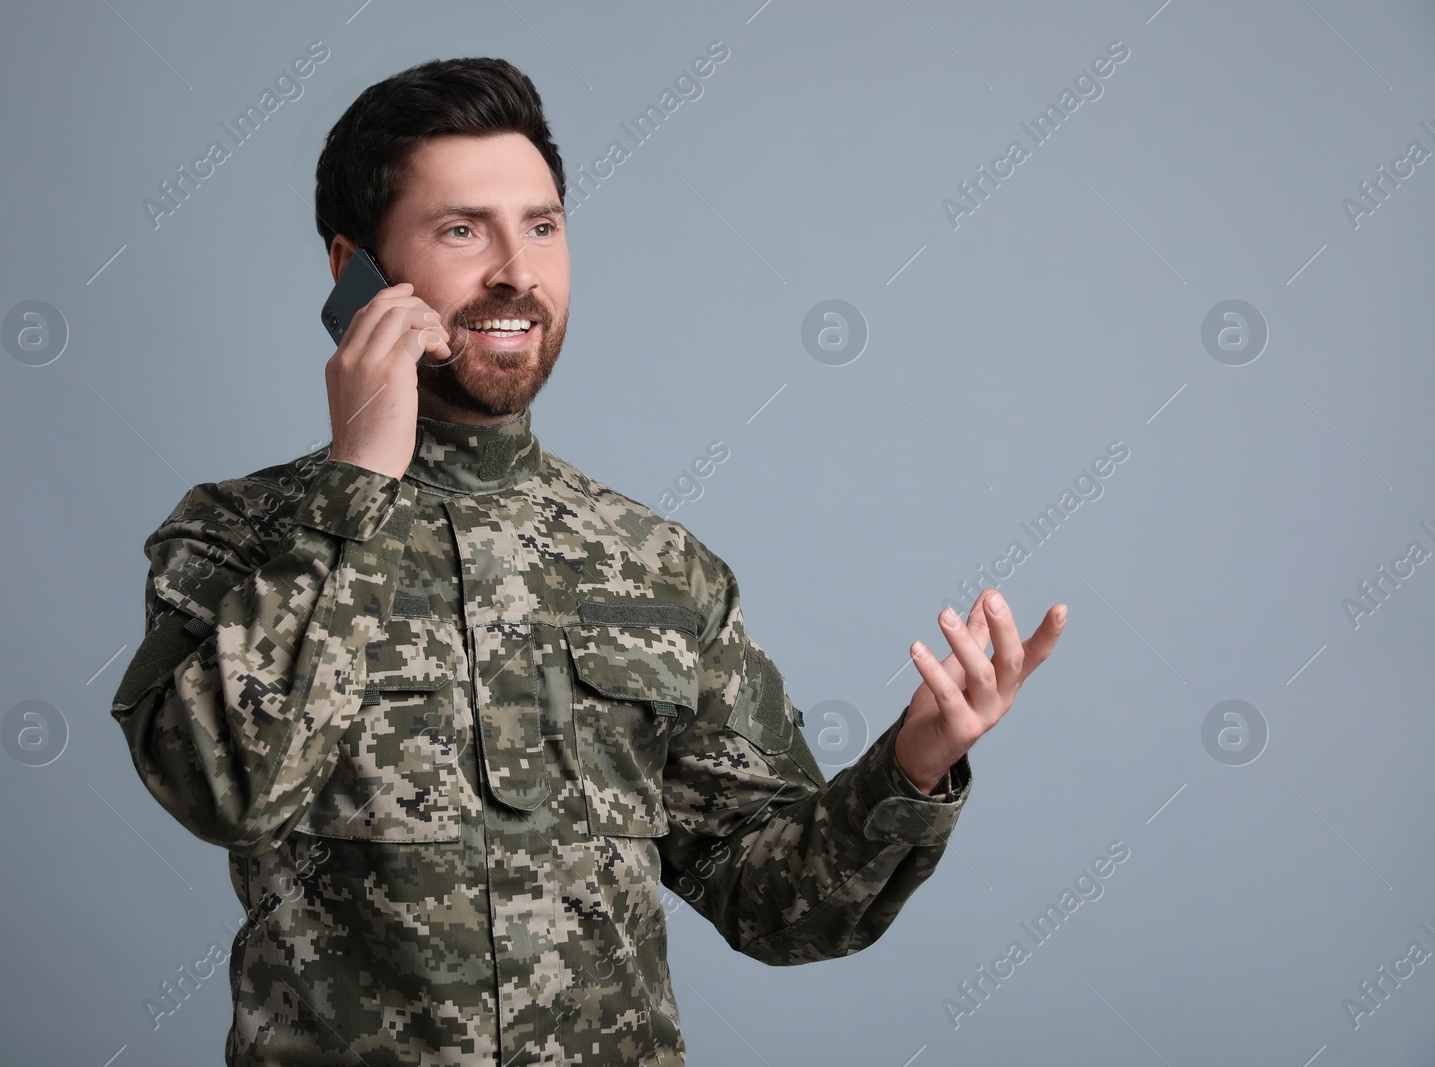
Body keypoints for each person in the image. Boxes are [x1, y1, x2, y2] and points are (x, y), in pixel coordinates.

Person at [109, 55, 1067, 1066]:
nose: (516, 270)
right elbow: (224, 789)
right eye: (460, 229)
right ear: (355, 269)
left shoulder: (656, 565)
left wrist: (908, 772)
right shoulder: (237, 532)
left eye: (542, 225)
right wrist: (358, 486)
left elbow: (769, 902)